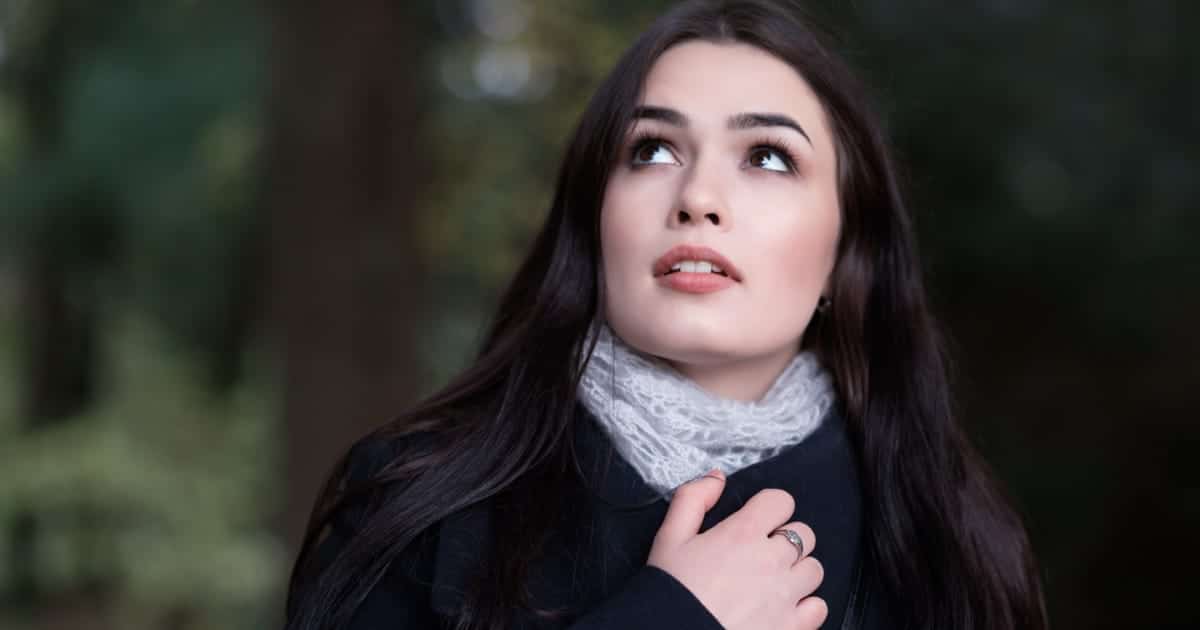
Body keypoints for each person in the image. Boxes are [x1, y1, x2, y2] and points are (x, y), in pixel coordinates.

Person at [283, 1, 1049, 628]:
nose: (697, 198)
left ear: (846, 252)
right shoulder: (414, 504)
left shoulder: (951, 547)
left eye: (768, 157)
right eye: (651, 150)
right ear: (594, 220)